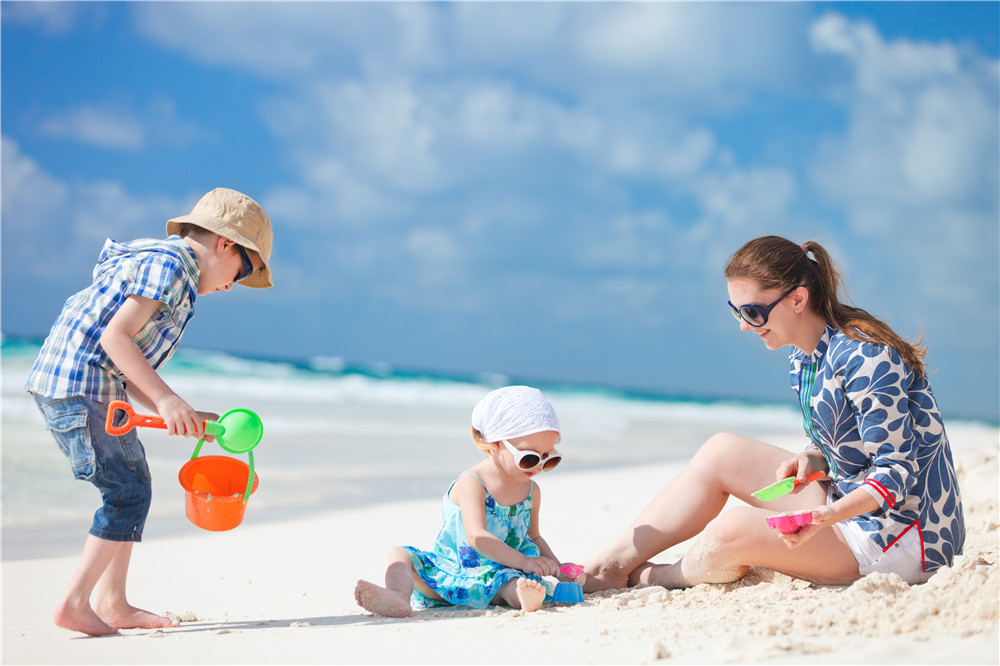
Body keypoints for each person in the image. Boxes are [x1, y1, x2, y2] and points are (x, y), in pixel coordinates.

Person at [583, 235, 965, 591]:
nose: (744, 326)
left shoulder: (866, 357)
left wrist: (826, 518)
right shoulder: (804, 358)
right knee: (721, 450)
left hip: (905, 536)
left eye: (753, 312)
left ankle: (657, 576)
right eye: (736, 311)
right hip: (852, 506)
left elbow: (896, 470)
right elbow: (848, 443)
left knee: (729, 530)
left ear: (798, 299)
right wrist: (813, 456)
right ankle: (608, 565)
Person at [25, 187, 274, 636]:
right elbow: (115, 339)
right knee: (125, 493)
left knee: (134, 483)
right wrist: (166, 399)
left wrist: (182, 410)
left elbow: (125, 362)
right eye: (242, 272)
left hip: (92, 386)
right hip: (81, 387)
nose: (231, 286)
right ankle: (75, 603)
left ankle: (113, 602)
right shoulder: (173, 266)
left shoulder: (168, 266)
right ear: (225, 244)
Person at [354, 386, 577, 617]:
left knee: (510, 583)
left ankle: (523, 597)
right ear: (496, 443)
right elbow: (477, 537)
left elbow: (534, 536)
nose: (539, 466)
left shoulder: (532, 490)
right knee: (399, 554)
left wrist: (559, 569)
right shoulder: (472, 482)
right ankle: (398, 596)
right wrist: (524, 561)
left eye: (549, 458)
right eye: (528, 458)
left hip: (504, 573)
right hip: (453, 574)